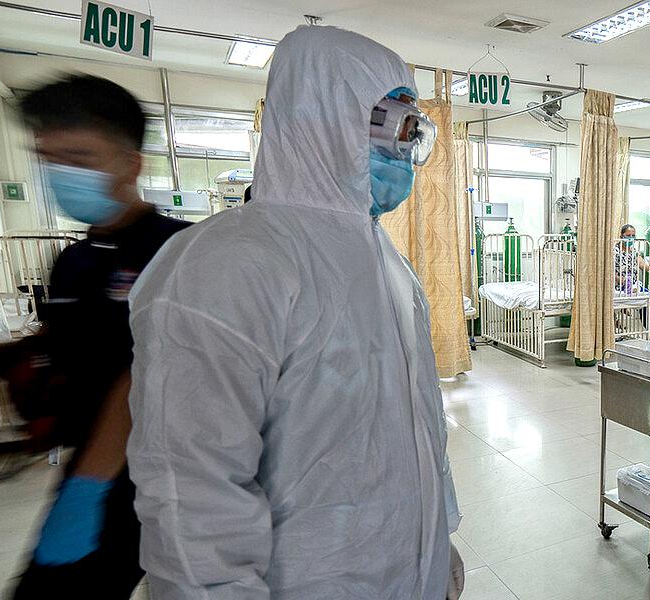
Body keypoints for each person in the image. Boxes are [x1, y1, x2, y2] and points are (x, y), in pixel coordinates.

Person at [126, 26, 462, 599]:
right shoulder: (226, 262)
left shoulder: (388, 264)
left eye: (414, 131)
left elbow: (418, 425)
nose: (405, 151)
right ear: (321, 115)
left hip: (406, 573)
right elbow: (191, 492)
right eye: (392, 124)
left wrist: (437, 542)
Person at [8, 75, 190, 599]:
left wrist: (88, 487)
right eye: (48, 158)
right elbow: (62, 344)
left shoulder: (180, 251)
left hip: (164, 473)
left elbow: (152, 372)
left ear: (131, 164)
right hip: (90, 463)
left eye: (79, 157)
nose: (60, 173)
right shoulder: (74, 261)